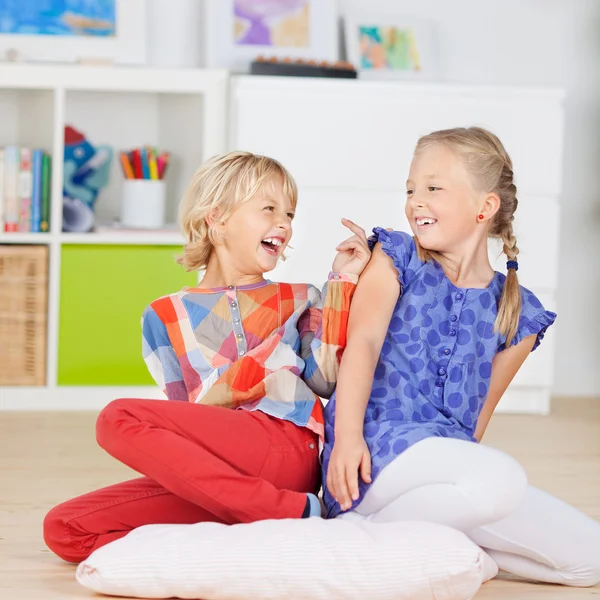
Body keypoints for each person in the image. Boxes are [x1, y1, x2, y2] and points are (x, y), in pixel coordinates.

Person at [43, 151, 371, 563]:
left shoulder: (301, 297)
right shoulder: (162, 315)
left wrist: (342, 281)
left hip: (287, 447)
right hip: (224, 473)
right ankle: (246, 531)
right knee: (66, 528)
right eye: (268, 208)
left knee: (116, 418)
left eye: (289, 212)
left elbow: (325, 379)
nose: (284, 223)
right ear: (216, 218)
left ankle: (280, 512)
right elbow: (185, 420)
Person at [324, 127, 600, 587]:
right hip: (375, 456)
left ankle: (413, 541)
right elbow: (364, 345)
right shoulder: (395, 258)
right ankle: (358, 533)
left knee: (591, 558)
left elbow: (474, 424)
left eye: (433, 188)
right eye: (411, 189)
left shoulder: (519, 313)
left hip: (450, 479)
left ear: (484, 206)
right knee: (501, 479)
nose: (415, 201)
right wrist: (348, 440)